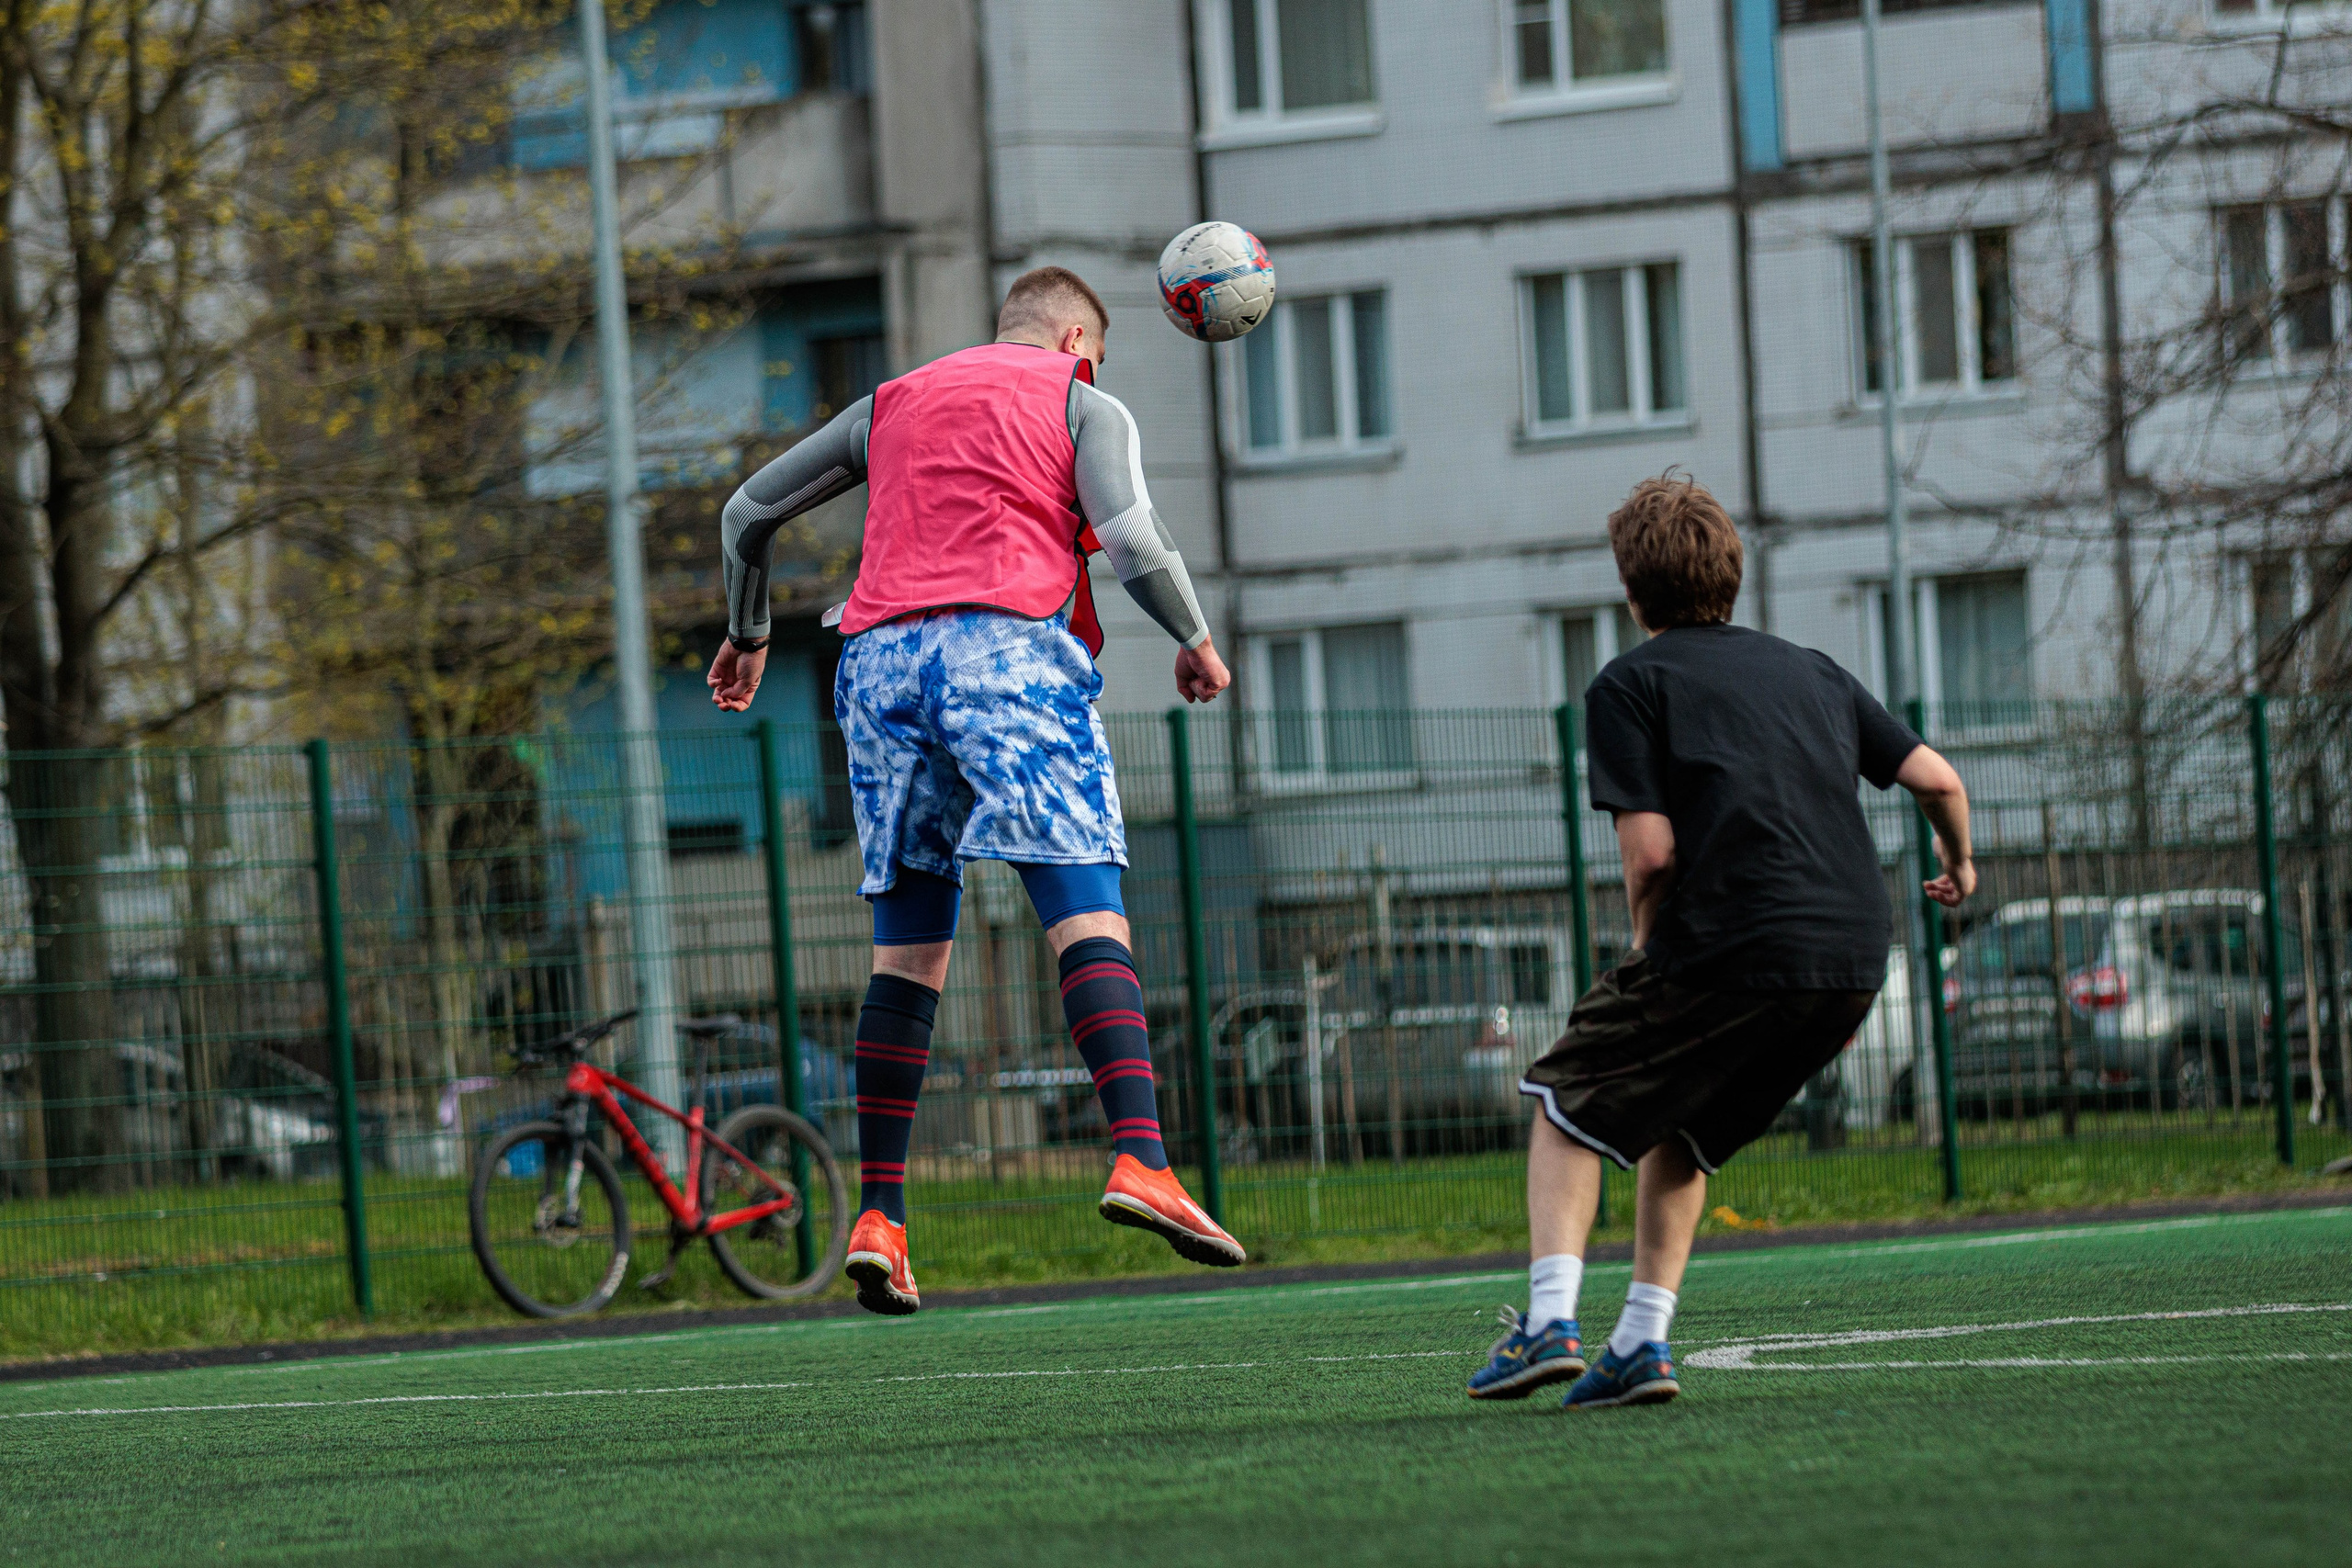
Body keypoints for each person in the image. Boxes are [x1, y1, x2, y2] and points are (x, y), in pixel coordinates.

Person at [707, 266, 1243, 1317]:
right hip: (1005, 652)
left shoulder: (893, 402)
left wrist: (749, 632)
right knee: (1083, 907)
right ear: (1078, 343)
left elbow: (746, 513)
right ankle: (1141, 1157)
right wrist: (1195, 638)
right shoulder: (1082, 399)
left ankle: (881, 1218)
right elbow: (1129, 537)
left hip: (875, 669)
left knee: (906, 952)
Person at [1466, 474, 1974, 1408]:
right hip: (1855, 953)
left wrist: (1648, 947)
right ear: (1732, 576)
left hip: (1732, 937)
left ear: (1631, 589)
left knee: (1561, 1097)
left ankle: (1546, 1322)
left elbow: (1651, 854)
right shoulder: (1814, 671)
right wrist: (1961, 865)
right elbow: (1937, 778)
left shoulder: (1630, 682)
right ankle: (1641, 1345)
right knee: (1684, 1132)